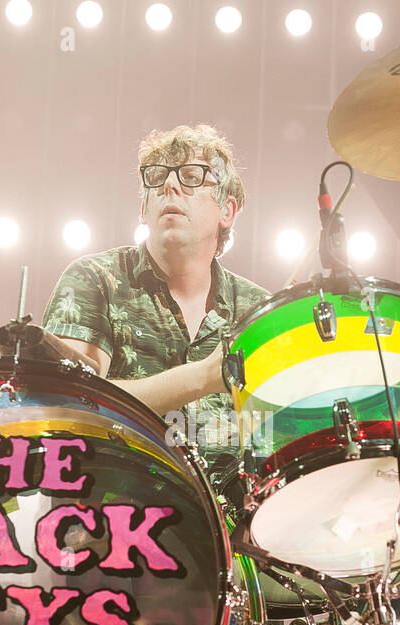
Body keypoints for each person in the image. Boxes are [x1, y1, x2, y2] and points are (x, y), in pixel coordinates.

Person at [40, 123, 268, 467]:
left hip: (232, 517)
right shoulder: (95, 279)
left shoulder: (257, 311)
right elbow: (63, 405)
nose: (170, 185)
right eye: (157, 177)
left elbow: (280, 431)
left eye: (192, 175)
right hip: (113, 510)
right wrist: (203, 377)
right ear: (143, 209)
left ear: (227, 211)